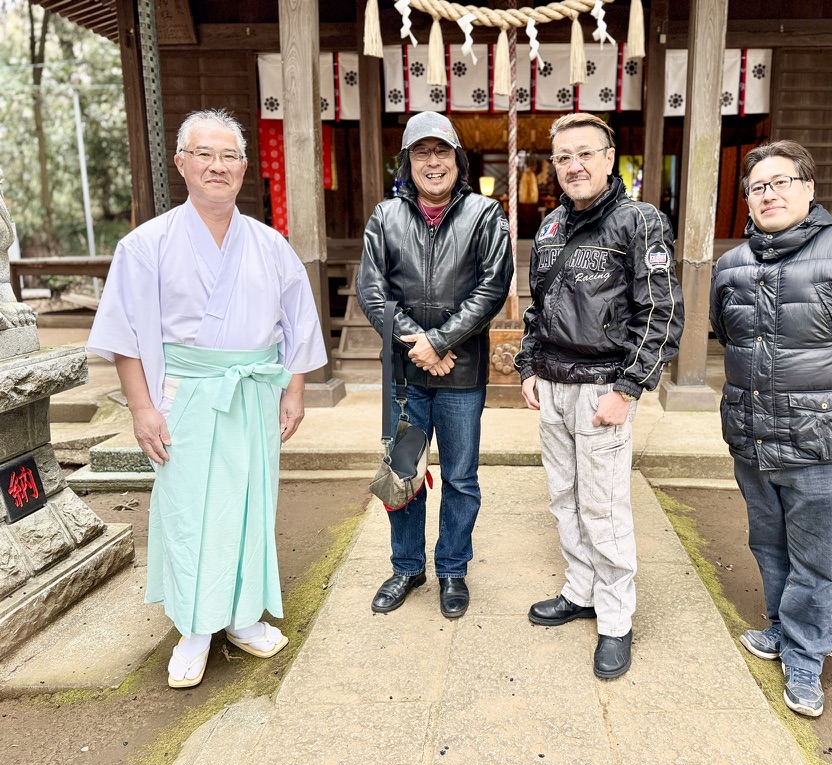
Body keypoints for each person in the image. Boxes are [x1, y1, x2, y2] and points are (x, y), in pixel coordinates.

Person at [87, 109, 327, 689]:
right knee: (190, 508)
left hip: (253, 394)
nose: (217, 166)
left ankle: (244, 616)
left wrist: (293, 391)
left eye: (228, 157)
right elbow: (125, 335)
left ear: (244, 168)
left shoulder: (270, 245)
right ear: (182, 164)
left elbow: (298, 324)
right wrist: (142, 408)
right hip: (184, 393)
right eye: (204, 155)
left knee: (250, 503)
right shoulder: (147, 245)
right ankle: (195, 627)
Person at [710, 140, 832, 717]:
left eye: (779, 182)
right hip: (752, 435)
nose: (767, 195)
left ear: (808, 188)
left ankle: (806, 655)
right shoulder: (733, 265)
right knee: (767, 542)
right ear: (746, 200)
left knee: (816, 556)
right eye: (756, 187)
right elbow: (728, 334)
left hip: (824, 441)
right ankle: (781, 627)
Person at [515, 112, 683, 680]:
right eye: (563, 157)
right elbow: (538, 306)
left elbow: (661, 313)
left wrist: (629, 388)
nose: (573, 166)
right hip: (554, 386)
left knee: (605, 507)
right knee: (564, 497)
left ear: (610, 158)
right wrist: (530, 367)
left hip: (603, 390)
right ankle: (580, 590)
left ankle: (615, 618)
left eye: (585, 153)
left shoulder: (639, 223)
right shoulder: (551, 228)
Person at [356, 111, 513, 620]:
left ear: (457, 160)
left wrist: (441, 341)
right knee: (403, 471)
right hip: (403, 377)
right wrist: (416, 344)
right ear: (407, 162)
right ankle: (406, 566)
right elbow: (372, 290)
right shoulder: (385, 217)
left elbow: (493, 287)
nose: (432, 162)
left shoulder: (485, 215)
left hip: (462, 375)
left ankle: (451, 569)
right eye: (421, 153)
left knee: (461, 477)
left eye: (441, 151)